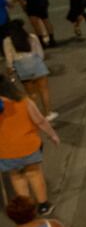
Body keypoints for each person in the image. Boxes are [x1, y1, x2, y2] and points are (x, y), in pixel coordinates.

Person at [0, 73, 59, 215]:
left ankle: (27, 208)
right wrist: (52, 134)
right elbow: (40, 120)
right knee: (34, 174)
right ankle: (43, 205)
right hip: (28, 146)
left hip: (5, 151)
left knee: (16, 177)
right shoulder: (24, 102)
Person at [3, 20, 54, 119]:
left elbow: (9, 58)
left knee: (31, 94)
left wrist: (10, 69)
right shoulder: (32, 37)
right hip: (36, 63)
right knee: (44, 90)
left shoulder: (7, 41)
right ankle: (48, 113)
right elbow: (40, 54)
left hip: (22, 67)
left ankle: (35, 116)